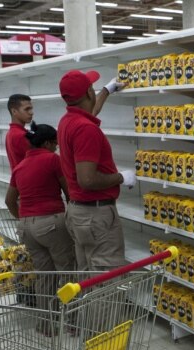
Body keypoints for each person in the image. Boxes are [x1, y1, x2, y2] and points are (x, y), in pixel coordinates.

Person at [57, 70, 134, 271]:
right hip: (96, 215)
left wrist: (107, 91)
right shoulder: (86, 129)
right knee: (106, 282)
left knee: (88, 276)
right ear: (88, 93)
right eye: (92, 87)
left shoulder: (68, 121)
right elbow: (87, 180)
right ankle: (103, 305)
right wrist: (121, 178)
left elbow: (91, 112)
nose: (93, 90)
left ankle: (89, 304)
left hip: (78, 212)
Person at [5, 122, 75, 336]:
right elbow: (69, 192)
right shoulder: (53, 160)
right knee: (69, 272)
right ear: (47, 142)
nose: (56, 147)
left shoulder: (20, 166)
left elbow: (9, 200)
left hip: (27, 227)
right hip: (52, 223)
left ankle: (45, 324)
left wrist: (26, 218)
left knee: (45, 276)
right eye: (55, 143)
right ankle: (73, 323)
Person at [5, 94, 34, 171]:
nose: (31, 112)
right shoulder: (21, 135)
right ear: (14, 111)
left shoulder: (10, 133)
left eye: (31, 109)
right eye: (27, 109)